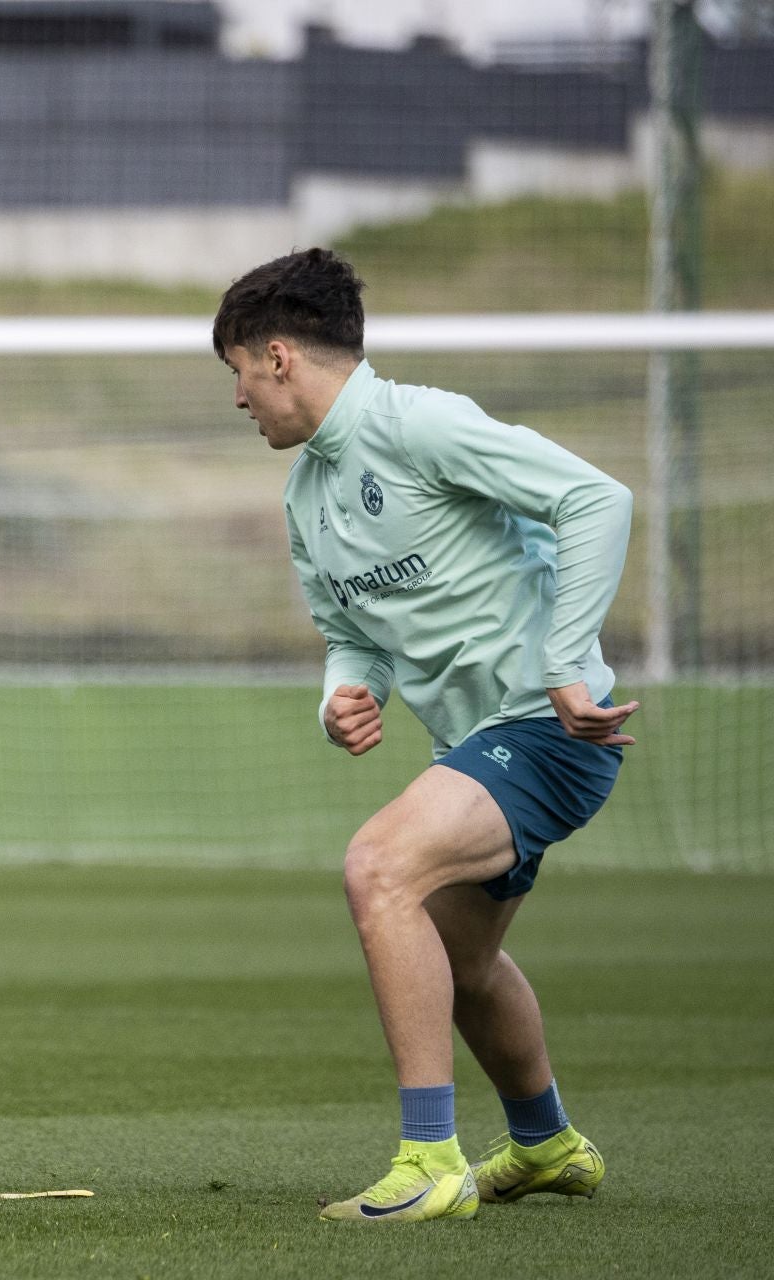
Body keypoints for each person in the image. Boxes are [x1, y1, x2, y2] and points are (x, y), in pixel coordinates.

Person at [214, 248, 634, 1223]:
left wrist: (567, 659)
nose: (238, 399)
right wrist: (343, 696)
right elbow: (349, 633)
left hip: (547, 729)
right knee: (458, 961)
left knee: (378, 867)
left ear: (278, 356)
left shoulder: (421, 424)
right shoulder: (306, 495)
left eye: (236, 371)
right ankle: (548, 1143)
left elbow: (596, 500)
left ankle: (429, 1158)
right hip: (481, 749)